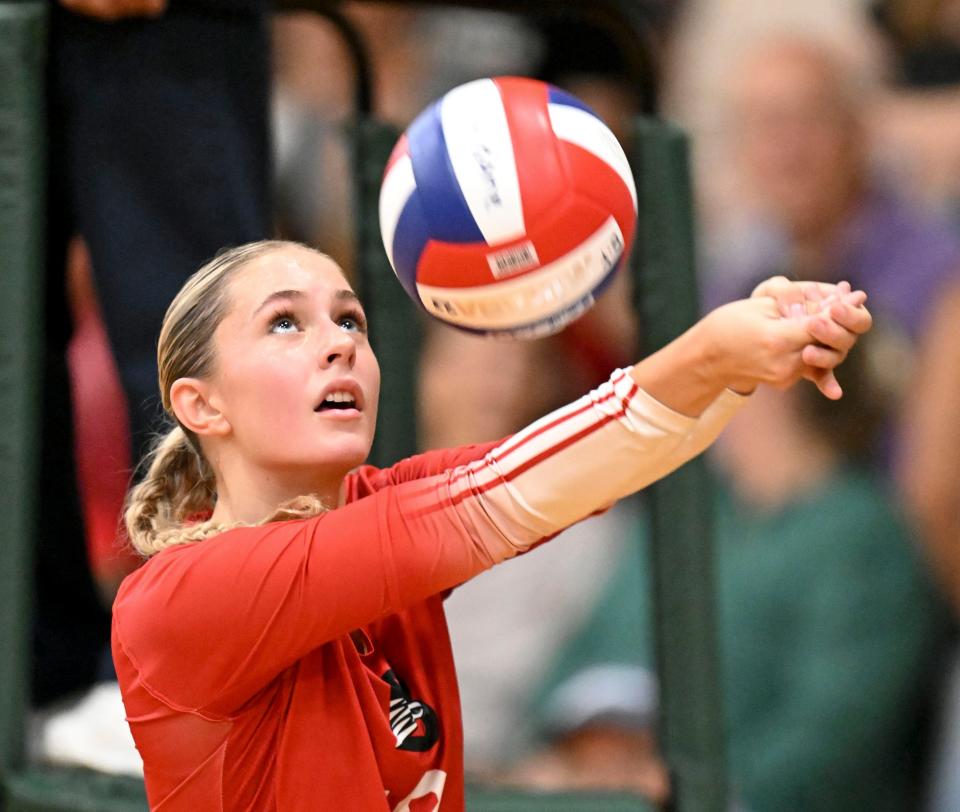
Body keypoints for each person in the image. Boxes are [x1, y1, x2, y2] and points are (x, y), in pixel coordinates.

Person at [111, 239, 869, 809]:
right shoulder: (182, 600)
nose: (340, 341)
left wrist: (748, 359)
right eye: (284, 323)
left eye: (350, 318)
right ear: (201, 405)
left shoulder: (379, 503)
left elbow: (591, 465)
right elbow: (509, 493)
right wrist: (712, 348)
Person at [516, 343, 949, 811]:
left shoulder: (863, 535)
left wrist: (690, 787)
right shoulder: (690, 505)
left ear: (778, 386)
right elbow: (592, 641)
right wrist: (572, 750)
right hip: (602, 771)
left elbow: (837, 727)